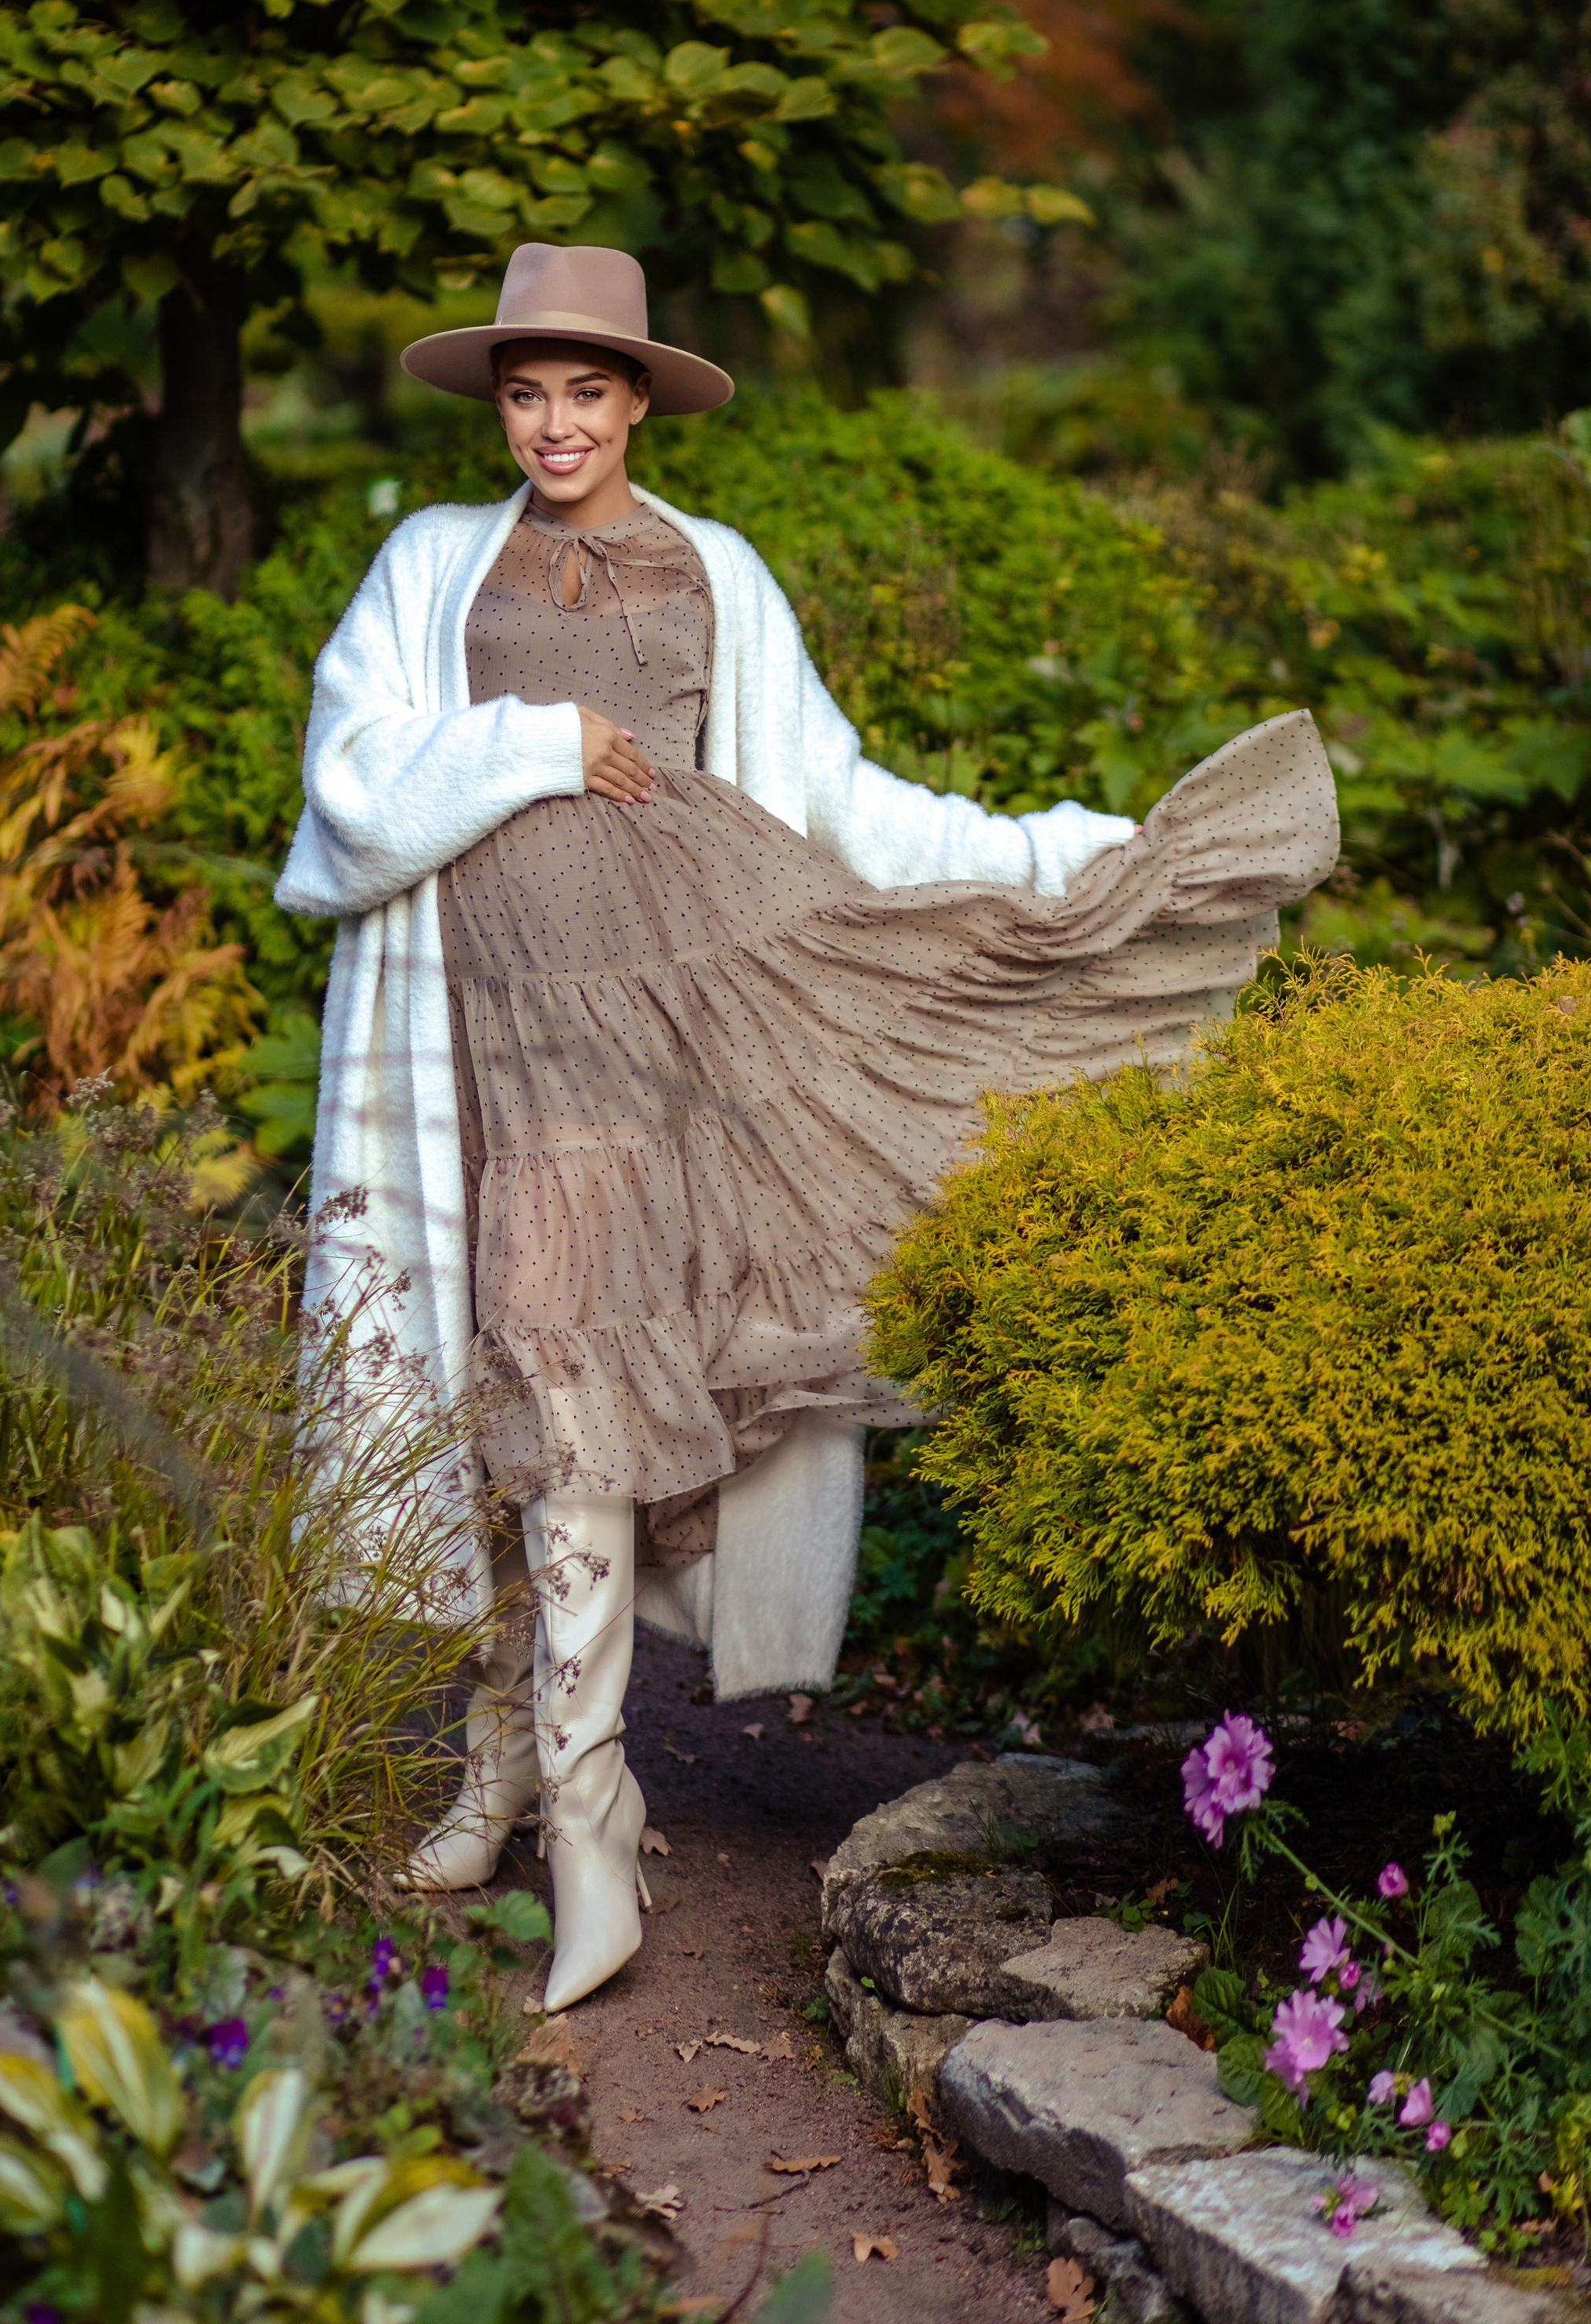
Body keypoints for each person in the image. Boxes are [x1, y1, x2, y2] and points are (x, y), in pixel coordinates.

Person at [275, 243, 1340, 2013]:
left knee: (568, 1368)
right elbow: (351, 789)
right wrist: (539, 739)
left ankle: (591, 1822)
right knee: (489, 1386)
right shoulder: (424, 566)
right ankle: (500, 1764)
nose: (553, 423)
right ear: (499, 406)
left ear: (635, 401)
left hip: (656, 1044)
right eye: (525, 392)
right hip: (465, 1031)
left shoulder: (716, 575)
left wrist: (1052, 853)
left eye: (585, 392)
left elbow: (832, 800)